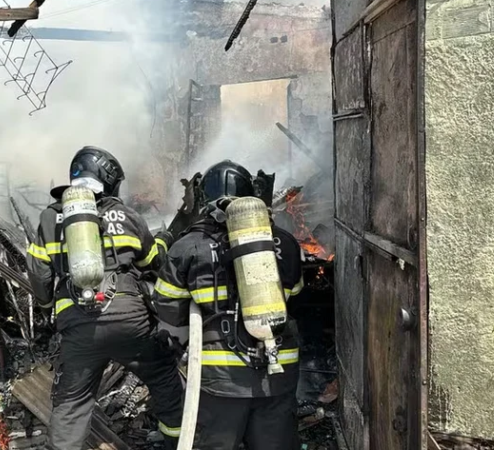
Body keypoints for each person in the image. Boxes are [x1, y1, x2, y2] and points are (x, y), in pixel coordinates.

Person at [26, 146, 183, 450]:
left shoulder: (50, 217)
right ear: (108, 181)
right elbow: (152, 263)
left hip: (78, 324)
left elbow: (38, 272)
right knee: (162, 376)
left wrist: (46, 308)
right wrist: (164, 240)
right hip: (130, 320)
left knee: (72, 401)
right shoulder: (126, 215)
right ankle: (177, 441)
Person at [152, 160, 305, 450]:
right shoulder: (284, 242)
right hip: (277, 371)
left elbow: (167, 307)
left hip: (221, 377)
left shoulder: (188, 246)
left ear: (204, 198)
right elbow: (295, 294)